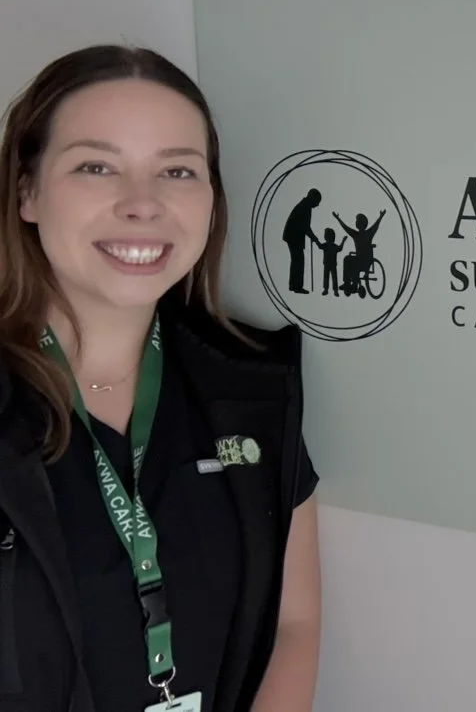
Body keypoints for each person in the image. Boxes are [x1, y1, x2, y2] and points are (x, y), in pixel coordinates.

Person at [0, 45, 321, 712]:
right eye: (96, 166)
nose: (142, 204)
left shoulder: (250, 389)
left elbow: (293, 625)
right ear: (26, 190)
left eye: (177, 170)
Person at [334, 208, 385, 297]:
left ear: (362, 224)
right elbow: (346, 228)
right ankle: (347, 282)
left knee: (354, 262)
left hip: (366, 261)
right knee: (347, 259)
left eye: (358, 221)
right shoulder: (355, 234)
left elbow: (376, 225)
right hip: (359, 260)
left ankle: (354, 284)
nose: (356, 223)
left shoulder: (369, 233)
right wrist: (338, 219)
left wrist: (381, 216)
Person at [281, 188, 321, 295]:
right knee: (298, 261)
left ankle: (294, 285)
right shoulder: (305, 207)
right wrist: (314, 238)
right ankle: (296, 286)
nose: (317, 205)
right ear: (313, 198)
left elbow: (305, 226)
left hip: (293, 236)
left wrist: (313, 237)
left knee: (296, 261)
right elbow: (305, 226)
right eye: (317, 202)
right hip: (293, 237)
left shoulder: (305, 206)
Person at [314, 227, 346, 297]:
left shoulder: (330, 246)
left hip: (331, 264)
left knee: (332, 277)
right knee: (328, 276)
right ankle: (327, 289)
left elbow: (339, 248)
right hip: (328, 263)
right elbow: (320, 246)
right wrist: (316, 241)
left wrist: (343, 241)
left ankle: (334, 290)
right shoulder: (327, 245)